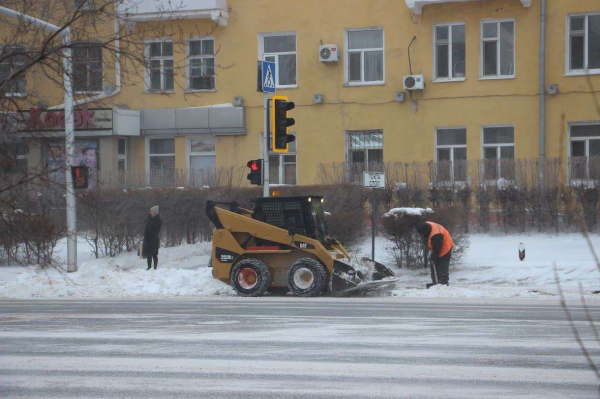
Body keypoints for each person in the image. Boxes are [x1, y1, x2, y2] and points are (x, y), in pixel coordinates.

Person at [416, 221, 454, 289]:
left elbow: (437, 248)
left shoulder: (436, 234)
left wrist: (434, 257)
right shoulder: (426, 225)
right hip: (438, 244)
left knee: (442, 265)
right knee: (433, 265)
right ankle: (435, 282)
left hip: (446, 246)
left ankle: (443, 283)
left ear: (426, 231)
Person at [142, 205, 162, 270]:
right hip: (147, 239)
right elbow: (146, 228)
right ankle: (149, 267)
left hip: (154, 239)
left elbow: (155, 229)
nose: (150, 212)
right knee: (148, 254)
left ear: (155, 212)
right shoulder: (149, 218)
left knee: (154, 254)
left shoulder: (158, 220)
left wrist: (150, 222)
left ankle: (155, 267)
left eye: (152, 211)